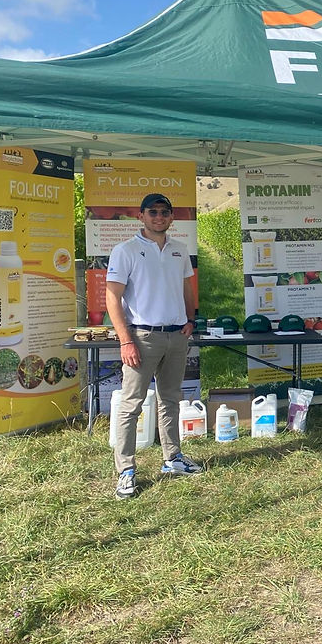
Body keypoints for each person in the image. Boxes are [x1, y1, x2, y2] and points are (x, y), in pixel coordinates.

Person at [105, 192, 203, 499]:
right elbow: (112, 297)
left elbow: (187, 287)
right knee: (131, 405)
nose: (159, 216)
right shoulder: (126, 251)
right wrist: (125, 340)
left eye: (165, 212)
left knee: (170, 398)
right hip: (143, 338)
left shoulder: (180, 250)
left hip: (176, 336)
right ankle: (126, 471)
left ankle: (172, 458)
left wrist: (190, 319)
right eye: (153, 212)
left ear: (172, 217)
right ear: (141, 216)